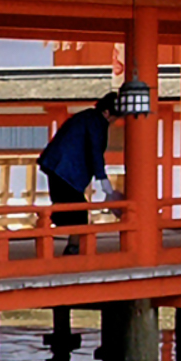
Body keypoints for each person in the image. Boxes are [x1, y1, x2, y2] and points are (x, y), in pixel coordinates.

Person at [39, 92, 117, 256]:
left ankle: (69, 244)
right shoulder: (97, 122)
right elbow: (95, 150)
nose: (113, 121)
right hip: (66, 169)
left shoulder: (85, 117)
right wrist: (102, 178)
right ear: (106, 112)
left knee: (65, 208)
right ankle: (72, 247)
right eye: (114, 117)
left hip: (56, 165)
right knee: (77, 211)